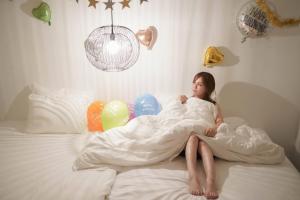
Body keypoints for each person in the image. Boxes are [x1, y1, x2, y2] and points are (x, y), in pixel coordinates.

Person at [178, 72, 223, 199]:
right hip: (188, 144)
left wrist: (214, 128)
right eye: (194, 83)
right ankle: (193, 177)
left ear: (208, 88)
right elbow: (177, 114)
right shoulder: (189, 100)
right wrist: (181, 101)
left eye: (199, 84)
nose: (195, 86)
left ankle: (210, 181)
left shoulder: (212, 105)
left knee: (203, 142)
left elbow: (220, 121)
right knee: (193, 137)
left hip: (205, 139)